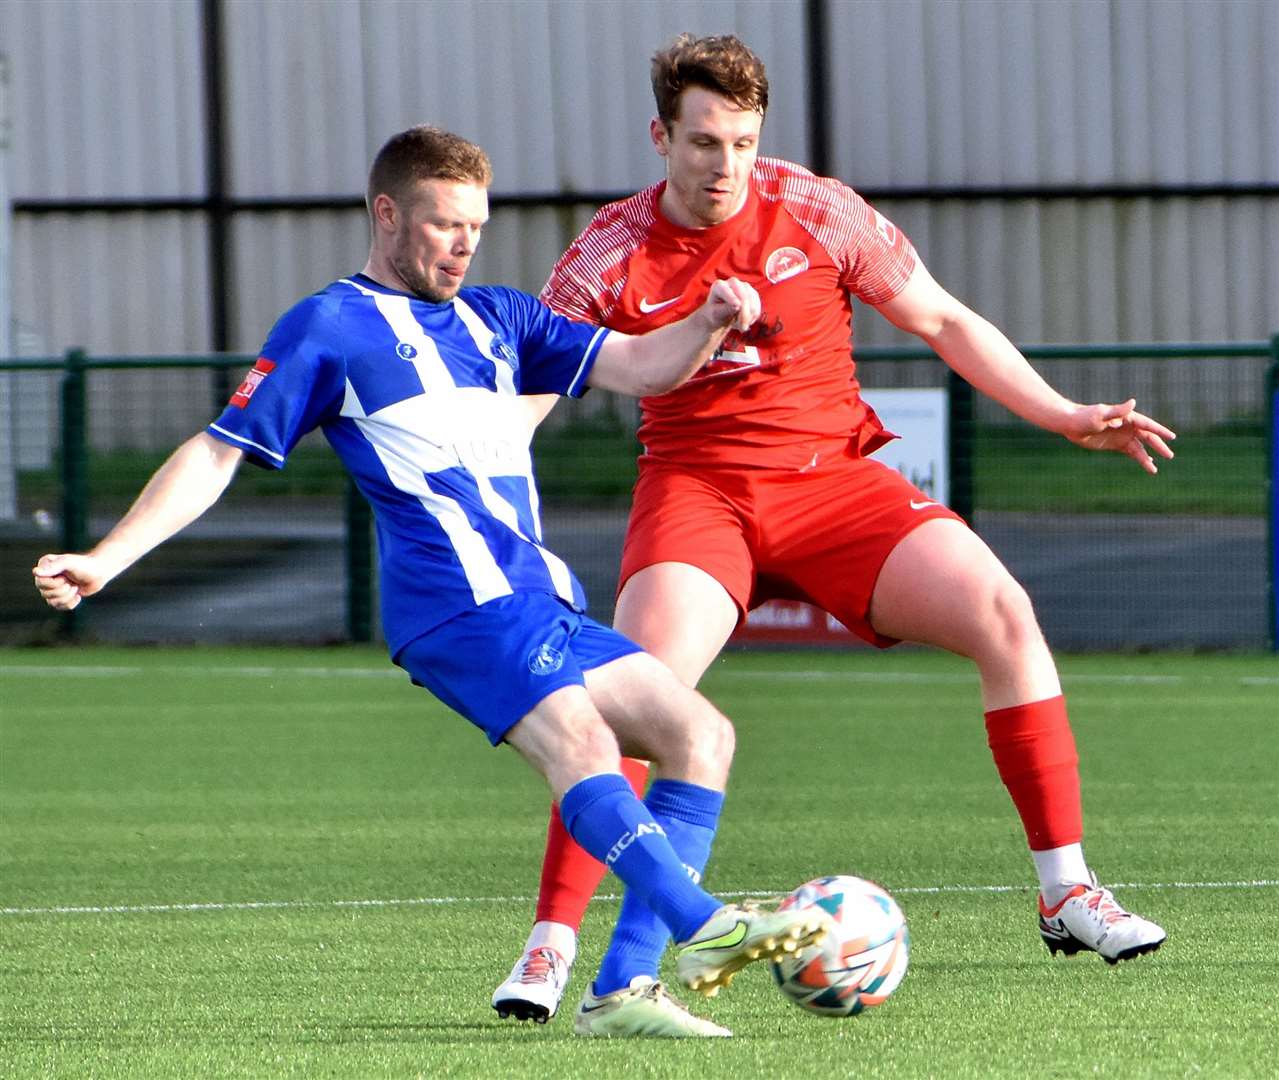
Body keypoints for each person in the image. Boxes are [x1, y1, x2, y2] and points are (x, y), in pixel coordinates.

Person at [32, 125, 830, 1040]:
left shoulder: (501, 317)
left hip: (537, 599)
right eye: (444, 224)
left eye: (475, 227)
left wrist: (705, 322)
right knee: (580, 745)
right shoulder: (329, 327)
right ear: (387, 214)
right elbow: (218, 454)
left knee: (700, 734)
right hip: (455, 604)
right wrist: (105, 558)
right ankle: (710, 927)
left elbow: (641, 365)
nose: (463, 243)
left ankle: (622, 989)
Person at [491, 33, 1173, 1025]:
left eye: (741, 141)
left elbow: (941, 320)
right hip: (698, 495)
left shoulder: (815, 209)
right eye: (702, 142)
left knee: (1003, 612)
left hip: (832, 487)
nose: (724, 164)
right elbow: (529, 398)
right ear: (660, 137)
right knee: (631, 700)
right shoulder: (608, 252)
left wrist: (1063, 414)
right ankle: (552, 947)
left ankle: (1066, 892)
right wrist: (476, 500)